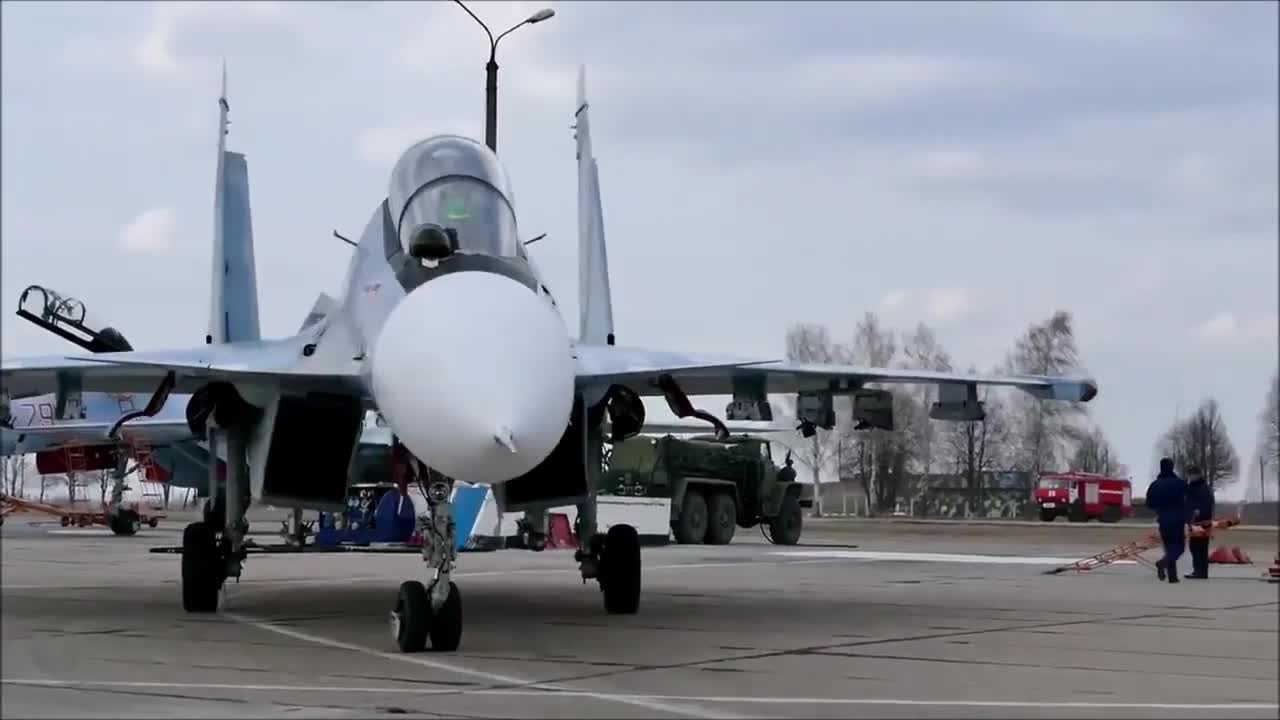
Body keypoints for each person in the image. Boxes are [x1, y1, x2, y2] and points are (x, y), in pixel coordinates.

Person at [1146, 457, 1188, 583]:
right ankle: (1162, 563)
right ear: (1172, 467)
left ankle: (1172, 577)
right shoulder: (1180, 484)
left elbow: (1149, 504)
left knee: (1169, 547)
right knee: (1179, 548)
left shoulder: (1155, 485)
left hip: (1163, 519)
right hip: (1178, 519)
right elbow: (1188, 501)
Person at [1184, 465, 1215, 579]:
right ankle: (1198, 570)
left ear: (1197, 475)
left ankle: (1201, 572)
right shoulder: (1191, 487)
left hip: (1202, 521)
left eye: (1191, 475)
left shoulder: (1203, 488)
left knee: (1200, 547)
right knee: (1194, 546)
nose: (1189, 477)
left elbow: (1206, 504)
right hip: (1193, 521)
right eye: (1189, 475)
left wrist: (1199, 513)